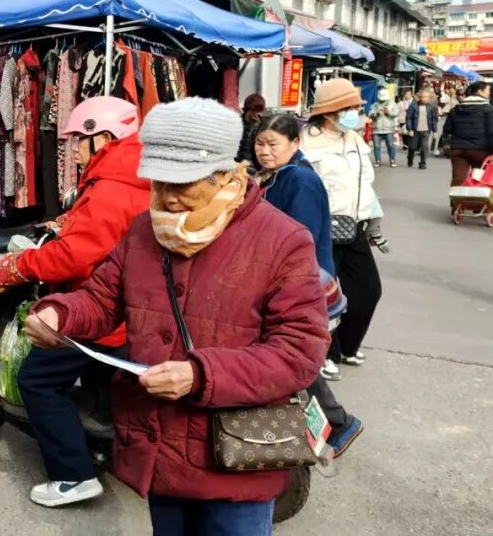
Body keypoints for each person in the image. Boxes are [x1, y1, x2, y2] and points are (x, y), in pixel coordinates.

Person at [25, 97, 329, 535]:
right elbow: (102, 299)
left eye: (183, 183)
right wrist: (59, 313)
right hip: (160, 449)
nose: (167, 198)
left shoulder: (282, 240)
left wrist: (200, 375)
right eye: (158, 181)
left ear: (224, 173)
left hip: (236, 458)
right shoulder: (144, 230)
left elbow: (299, 353)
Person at [0, 96, 151, 507]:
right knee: (101, 381)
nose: (73, 150)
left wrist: (16, 267)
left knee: (37, 380)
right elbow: (100, 231)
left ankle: (73, 476)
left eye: (78, 141)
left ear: (102, 137)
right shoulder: (130, 173)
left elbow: (76, 255)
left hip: (100, 311)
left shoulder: (113, 187)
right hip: (130, 306)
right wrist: (66, 223)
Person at [252, 112, 364, 456]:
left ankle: (338, 424)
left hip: (302, 286)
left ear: (295, 143)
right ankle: (329, 425)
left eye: (273, 144)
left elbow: (300, 241)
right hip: (286, 282)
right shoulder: (273, 176)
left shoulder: (299, 180)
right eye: (259, 143)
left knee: (291, 356)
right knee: (288, 355)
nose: (264, 151)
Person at [301, 78, 387, 379]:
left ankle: (348, 346)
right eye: (350, 108)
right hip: (323, 229)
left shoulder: (354, 139)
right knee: (323, 296)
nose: (355, 113)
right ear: (330, 112)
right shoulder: (306, 143)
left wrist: (374, 224)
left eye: (356, 108)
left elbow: (366, 185)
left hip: (355, 227)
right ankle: (325, 354)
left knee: (368, 290)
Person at [442, 81, 493, 186]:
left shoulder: (455, 109)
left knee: (458, 179)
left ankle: (457, 196)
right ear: (480, 91)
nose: (489, 93)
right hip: (481, 150)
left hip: (458, 149)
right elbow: (491, 132)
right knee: (479, 180)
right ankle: (476, 197)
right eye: (488, 90)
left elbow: (447, 129)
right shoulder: (489, 109)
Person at [405, 88, 438, 169]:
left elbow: (434, 119)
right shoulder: (413, 106)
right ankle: (410, 158)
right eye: (423, 97)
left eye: (427, 97)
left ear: (429, 98)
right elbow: (408, 118)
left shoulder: (431, 107)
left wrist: (435, 131)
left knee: (424, 147)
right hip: (415, 130)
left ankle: (422, 163)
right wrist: (410, 129)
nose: (425, 99)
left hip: (426, 130)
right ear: (420, 97)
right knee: (412, 147)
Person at [369, 87, 399, 167]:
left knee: (390, 145)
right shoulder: (374, 105)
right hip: (377, 128)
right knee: (376, 146)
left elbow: (396, 113)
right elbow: (370, 114)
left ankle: (392, 160)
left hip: (388, 128)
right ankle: (378, 161)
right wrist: (377, 113)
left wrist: (388, 113)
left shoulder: (392, 104)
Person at [237, 93, 266, 163]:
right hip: (232, 164)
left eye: (261, 111)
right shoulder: (236, 123)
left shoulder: (262, 127)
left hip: (253, 166)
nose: (260, 114)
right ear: (249, 109)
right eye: (257, 110)